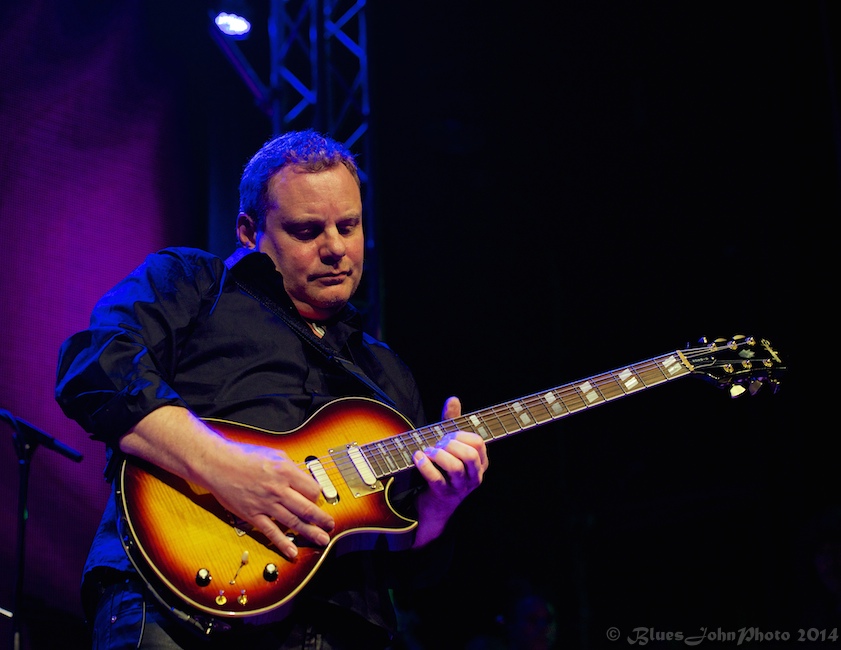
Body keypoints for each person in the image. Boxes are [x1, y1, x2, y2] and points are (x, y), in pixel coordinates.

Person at [55, 129, 489, 649]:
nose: (334, 248)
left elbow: (411, 571)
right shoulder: (194, 283)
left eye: (348, 226)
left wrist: (441, 506)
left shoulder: (386, 374)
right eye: (307, 231)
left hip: (341, 628)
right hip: (173, 604)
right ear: (247, 230)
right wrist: (222, 467)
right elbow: (94, 367)